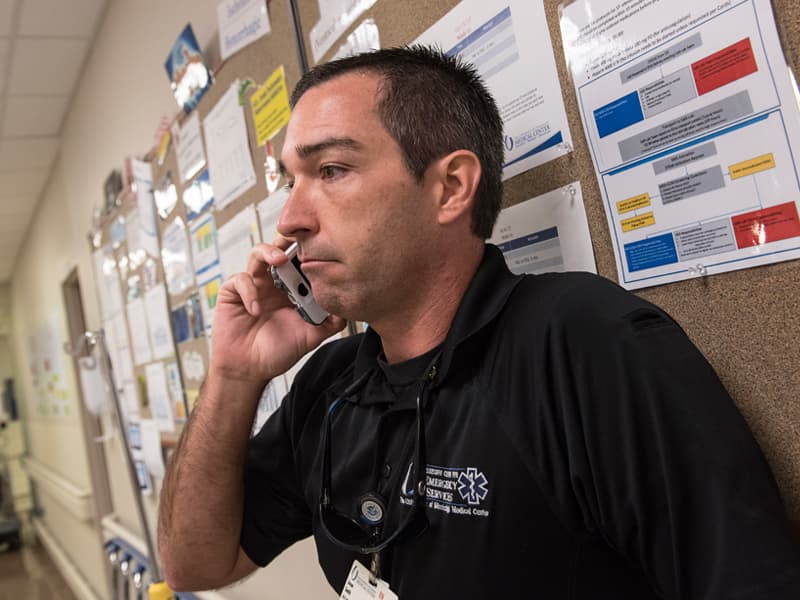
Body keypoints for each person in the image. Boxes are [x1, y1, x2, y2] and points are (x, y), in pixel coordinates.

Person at [157, 46, 800, 598]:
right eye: (291, 179)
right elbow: (195, 563)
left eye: (331, 171)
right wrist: (233, 374)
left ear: (450, 187)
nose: (290, 220)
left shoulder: (585, 345)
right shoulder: (331, 384)